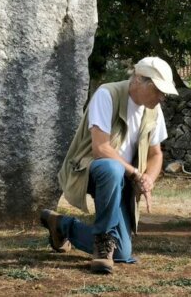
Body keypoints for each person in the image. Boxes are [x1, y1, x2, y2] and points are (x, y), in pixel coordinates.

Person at [40, 56, 177, 274]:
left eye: (164, 92)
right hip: (90, 170)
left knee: (123, 253)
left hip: (123, 181)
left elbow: (155, 154)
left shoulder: (154, 110)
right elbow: (100, 149)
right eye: (158, 90)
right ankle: (103, 242)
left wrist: (148, 178)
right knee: (112, 168)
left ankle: (62, 226)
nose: (162, 97)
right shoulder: (107, 94)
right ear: (139, 80)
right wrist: (135, 174)